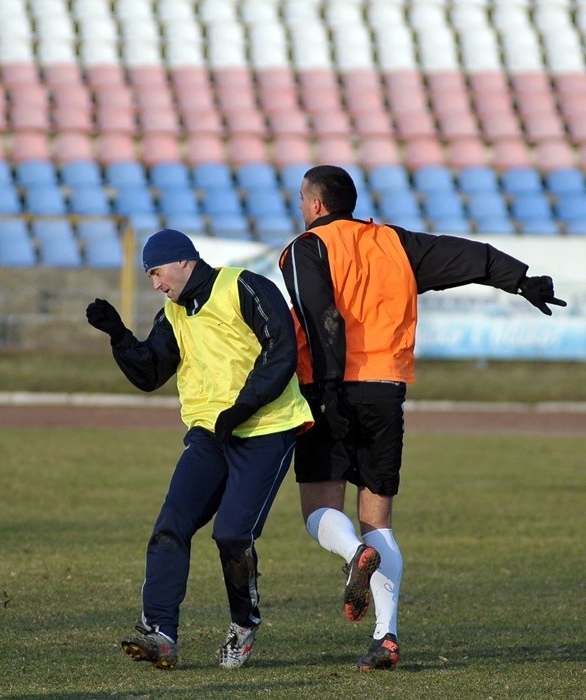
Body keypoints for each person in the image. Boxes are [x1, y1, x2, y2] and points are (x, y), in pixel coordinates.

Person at [278, 165, 567, 671]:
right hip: (387, 390)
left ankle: (351, 558)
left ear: (317, 205)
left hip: (330, 391)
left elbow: (321, 316)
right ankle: (386, 636)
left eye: (303, 199)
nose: (302, 206)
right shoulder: (394, 243)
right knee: (378, 522)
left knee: (319, 510)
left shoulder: (305, 248)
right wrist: (520, 280)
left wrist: (325, 392)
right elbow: (467, 256)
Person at [86, 228, 313, 670]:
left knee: (231, 534)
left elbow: (280, 351)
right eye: (149, 275)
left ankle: (243, 624)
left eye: (156, 272)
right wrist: (118, 335)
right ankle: (160, 634)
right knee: (171, 524)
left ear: (183, 260)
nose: (155, 283)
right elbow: (150, 373)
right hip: (210, 436)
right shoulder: (172, 314)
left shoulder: (244, 286)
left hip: (267, 428)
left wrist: (242, 406)